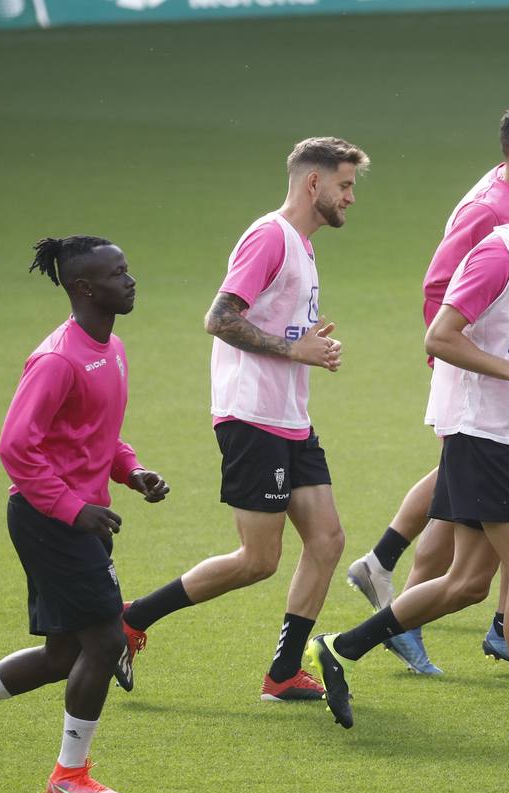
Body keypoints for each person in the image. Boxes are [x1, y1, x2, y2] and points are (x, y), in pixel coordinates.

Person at [308, 149, 509, 747]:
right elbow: (440, 336)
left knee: (469, 582)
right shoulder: (500, 254)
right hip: (480, 435)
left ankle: (341, 647)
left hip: (500, 434)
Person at [0, 236, 168, 793]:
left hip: (79, 518)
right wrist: (73, 509)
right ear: (84, 288)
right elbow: (16, 448)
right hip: (51, 519)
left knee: (65, 654)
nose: (131, 280)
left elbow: (93, 432)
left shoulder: (111, 348)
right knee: (102, 643)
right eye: (118, 273)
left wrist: (131, 470)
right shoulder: (56, 360)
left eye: (128, 269)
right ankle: (69, 776)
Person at [113, 137, 366, 701]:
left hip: (289, 417)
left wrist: (303, 340)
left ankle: (281, 673)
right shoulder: (269, 236)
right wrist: (292, 349)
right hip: (251, 417)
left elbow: (268, 325)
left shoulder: (300, 244)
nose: (351, 198)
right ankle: (131, 619)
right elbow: (220, 318)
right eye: (345, 186)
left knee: (326, 541)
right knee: (258, 560)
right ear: (313, 183)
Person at [345, 106, 509, 676]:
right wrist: (460, 368)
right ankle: (482, 622)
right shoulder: (489, 213)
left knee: (470, 515)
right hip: (486, 377)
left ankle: (390, 576)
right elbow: (440, 291)